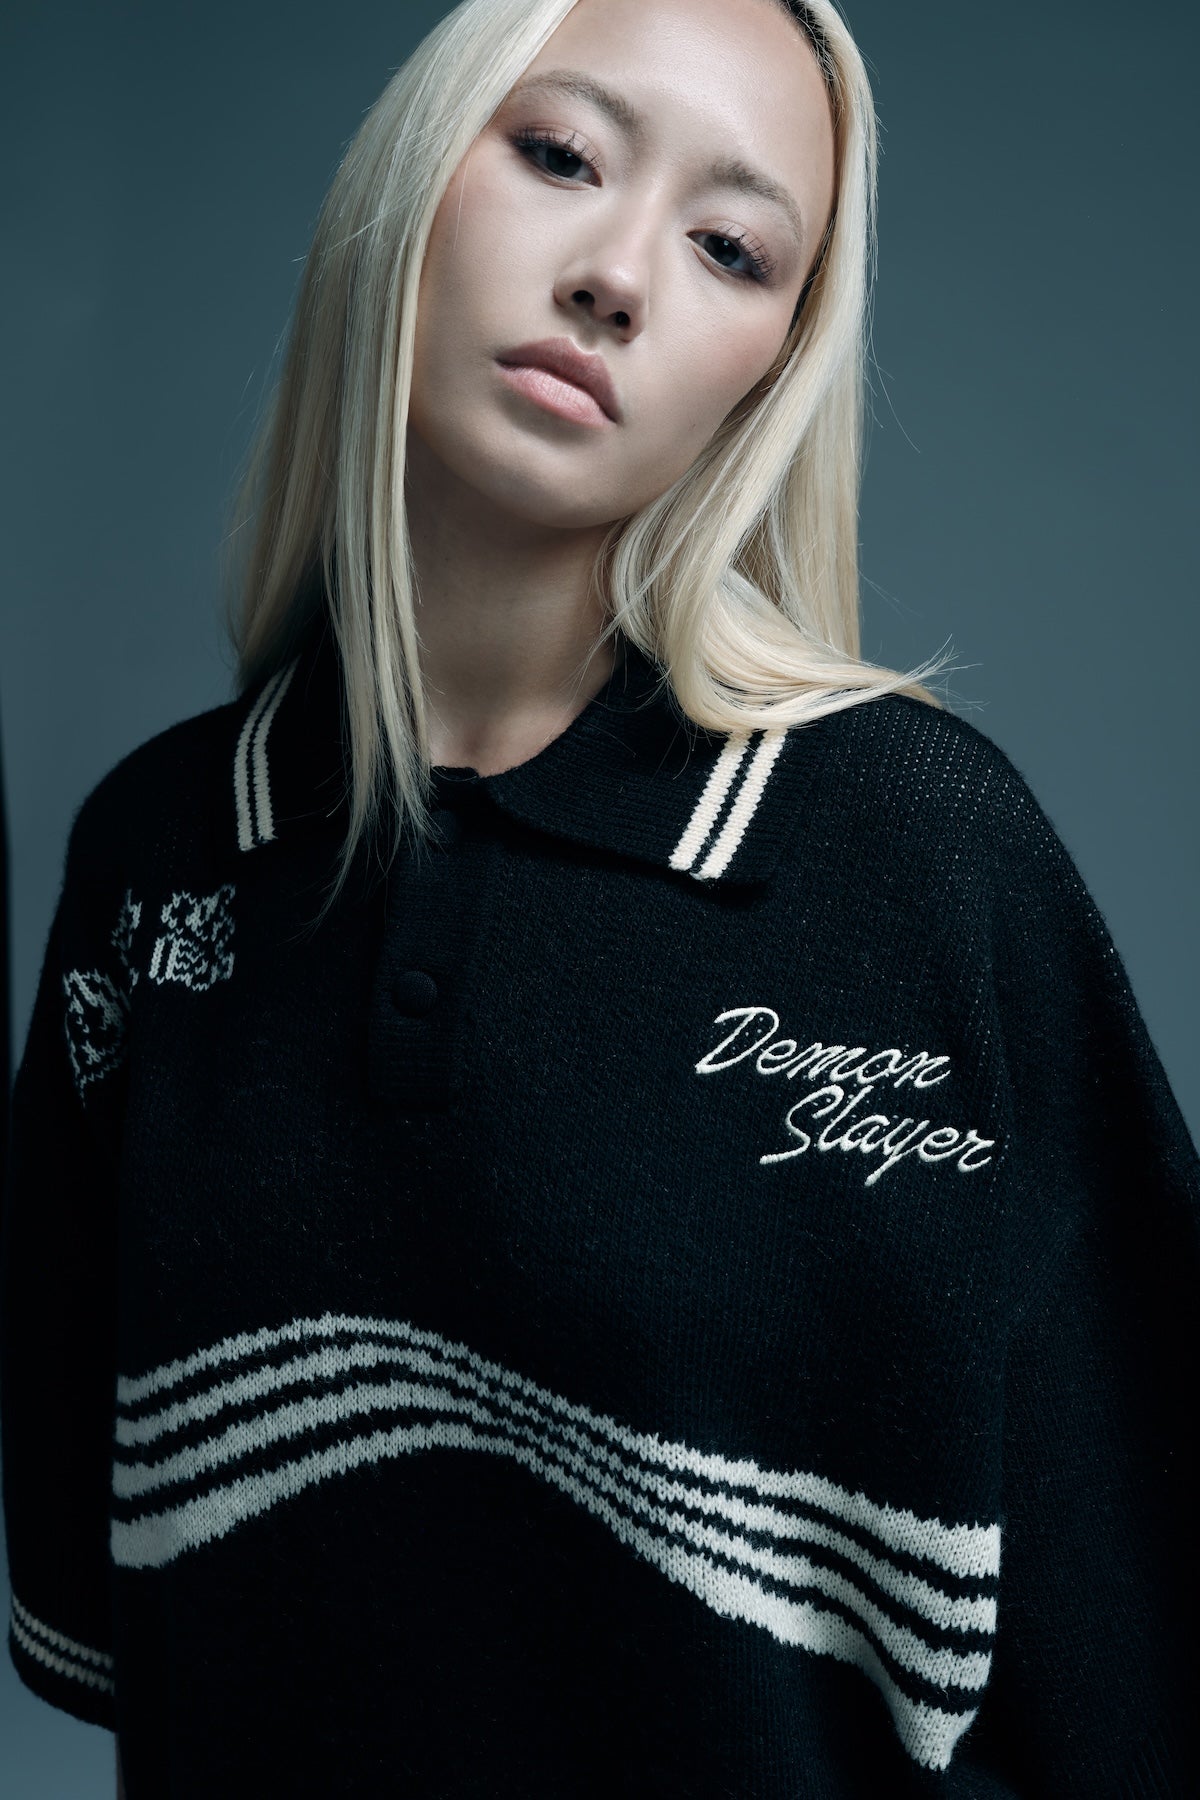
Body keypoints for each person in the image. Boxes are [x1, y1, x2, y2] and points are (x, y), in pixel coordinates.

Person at [2, 0, 1195, 1793]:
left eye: (731, 249)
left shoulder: (922, 854)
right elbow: (106, 1617)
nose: (617, 277)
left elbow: (1146, 1661)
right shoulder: (158, 857)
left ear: (769, 367)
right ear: (412, 181)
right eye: (560, 155)